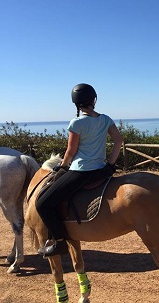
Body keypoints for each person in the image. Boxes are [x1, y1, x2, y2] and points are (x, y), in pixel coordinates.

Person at [36, 83, 123, 257]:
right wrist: (111, 165)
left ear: (76, 103)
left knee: (42, 203)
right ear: (93, 100)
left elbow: (71, 151)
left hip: (80, 171)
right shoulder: (106, 119)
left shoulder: (77, 122)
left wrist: (62, 166)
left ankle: (59, 242)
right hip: (100, 170)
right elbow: (118, 141)